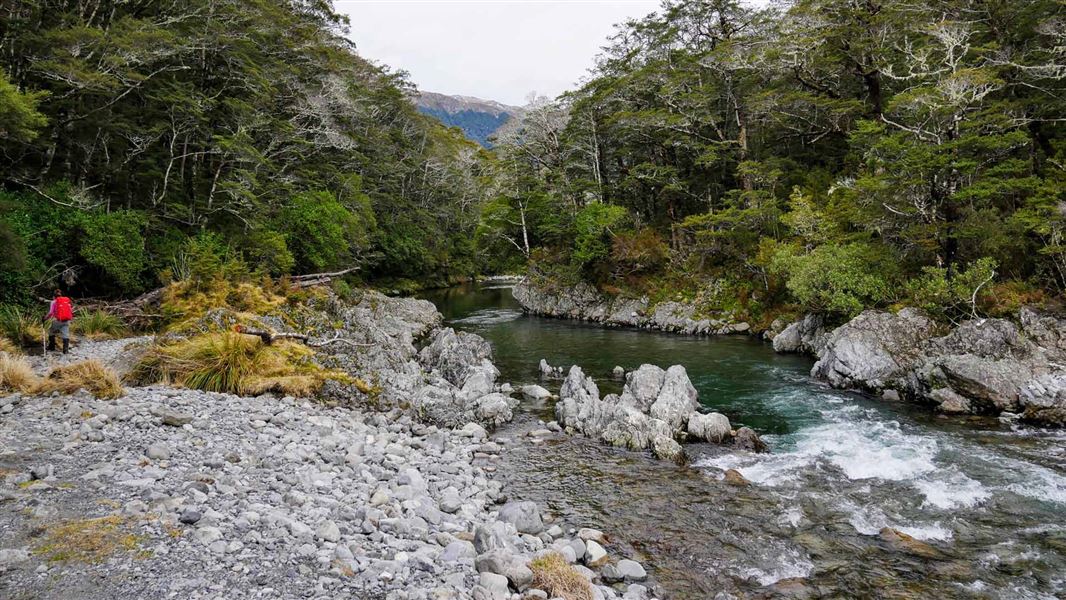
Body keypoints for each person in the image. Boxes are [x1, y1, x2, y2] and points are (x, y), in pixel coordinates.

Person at [45, 289, 74, 354]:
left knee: (51, 331)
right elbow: (70, 311)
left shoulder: (53, 302)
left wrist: (45, 318)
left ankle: (52, 347)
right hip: (66, 320)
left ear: (54, 296)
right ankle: (65, 350)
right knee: (65, 334)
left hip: (57, 320)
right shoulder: (66, 301)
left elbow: (50, 313)